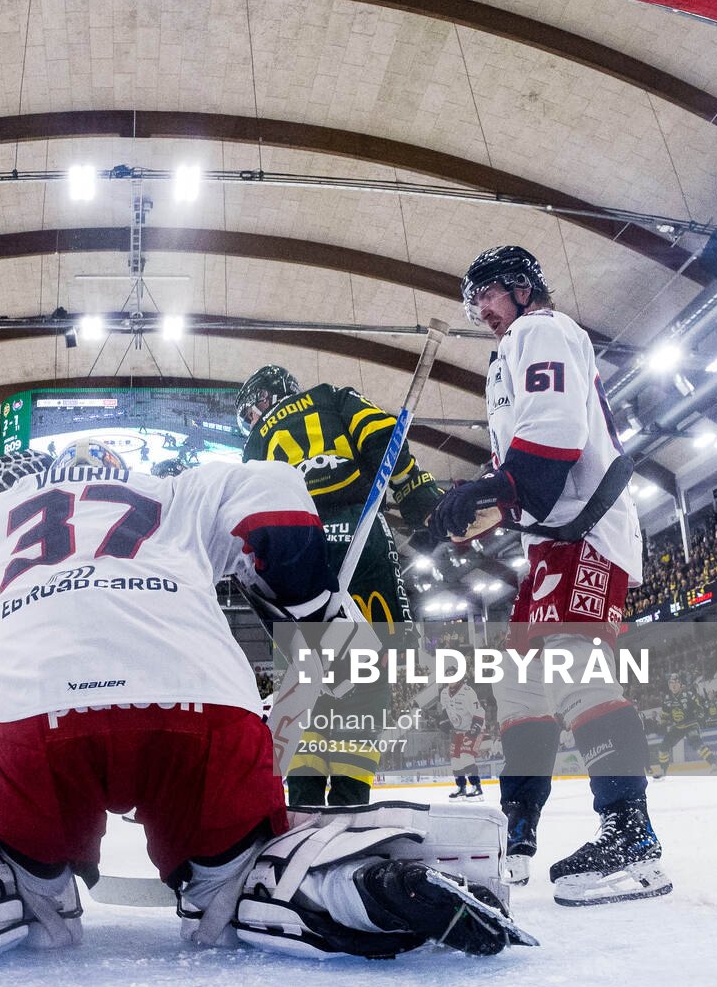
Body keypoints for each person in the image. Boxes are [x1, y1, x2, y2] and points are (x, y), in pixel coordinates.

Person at [0, 438, 534, 967]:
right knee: (235, 874)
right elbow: (279, 504)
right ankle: (336, 884)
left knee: (24, 877)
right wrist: (312, 607)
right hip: (198, 704)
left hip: (30, 716)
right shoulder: (180, 488)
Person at [428, 244, 669, 906]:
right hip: (551, 543)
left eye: (486, 295)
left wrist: (490, 490)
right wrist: (460, 510)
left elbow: (553, 440)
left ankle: (632, 837)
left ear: (519, 287)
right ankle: (519, 834)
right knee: (518, 686)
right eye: (474, 303)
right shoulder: (508, 355)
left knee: (571, 665)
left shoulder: (541, 330)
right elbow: (520, 479)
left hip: (587, 528)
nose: (480, 310)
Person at [234, 365, 442, 806]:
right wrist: (414, 489)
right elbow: (382, 435)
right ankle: (350, 797)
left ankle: (304, 799)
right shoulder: (330, 395)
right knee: (373, 669)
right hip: (360, 529)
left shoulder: (255, 442)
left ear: (267, 397)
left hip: (299, 546)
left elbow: (251, 511)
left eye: (252, 410)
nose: (253, 419)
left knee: (310, 674)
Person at [441, 676, 487, 800]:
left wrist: (475, 727)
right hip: (458, 731)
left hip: (474, 727)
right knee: (455, 760)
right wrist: (444, 721)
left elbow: (479, 711)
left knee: (466, 756)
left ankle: (477, 787)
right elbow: (445, 710)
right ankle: (461, 788)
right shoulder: (444, 693)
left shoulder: (468, 692)